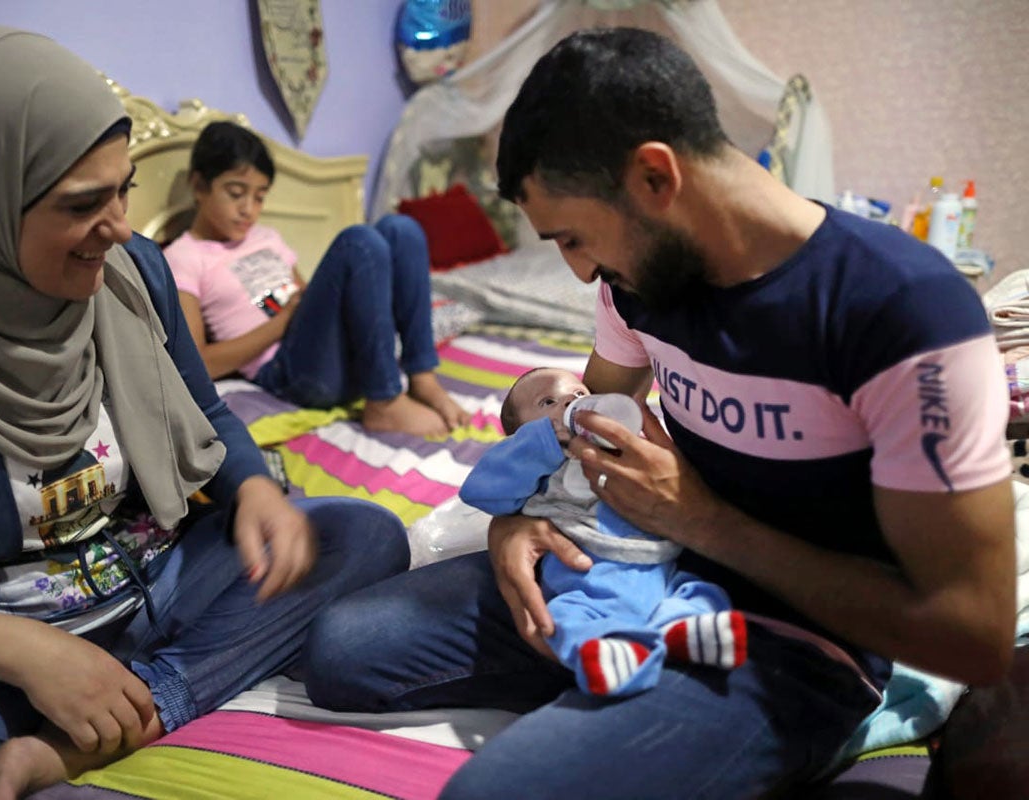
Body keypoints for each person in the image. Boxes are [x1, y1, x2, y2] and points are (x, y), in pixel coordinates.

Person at [302, 26, 1017, 798]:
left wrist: (705, 523)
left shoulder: (899, 312)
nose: (582, 275)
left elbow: (971, 637)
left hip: (786, 640)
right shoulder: (637, 284)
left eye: (574, 238)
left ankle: (668, 720)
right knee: (346, 648)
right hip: (635, 574)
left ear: (653, 176)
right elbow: (577, 440)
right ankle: (617, 694)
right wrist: (518, 522)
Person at [0, 27, 411, 800]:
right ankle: (93, 705)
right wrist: (31, 657)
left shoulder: (133, 270)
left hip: (164, 576)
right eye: (81, 204)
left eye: (124, 189)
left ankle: (132, 712)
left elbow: (204, 409)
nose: (117, 226)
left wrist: (253, 489)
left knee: (361, 536)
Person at [163, 121, 468, 437]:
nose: (249, 210)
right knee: (358, 242)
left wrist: (302, 309)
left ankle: (422, 378)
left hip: (325, 349)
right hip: (288, 370)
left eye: (259, 197)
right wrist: (283, 321)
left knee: (400, 230)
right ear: (199, 185)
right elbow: (198, 364)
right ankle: (385, 401)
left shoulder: (266, 236)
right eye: (236, 193)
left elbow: (312, 300)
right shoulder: (183, 257)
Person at [460, 367, 746, 696]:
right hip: (588, 582)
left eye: (580, 394)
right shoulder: (532, 462)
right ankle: (614, 656)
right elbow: (481, 490)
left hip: (659, 568)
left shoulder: (620, 447)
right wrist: (539, 443)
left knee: (698, 592)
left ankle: (684, 630)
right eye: (548, 401)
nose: (570, 400)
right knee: (563, 619)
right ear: (520, 434)